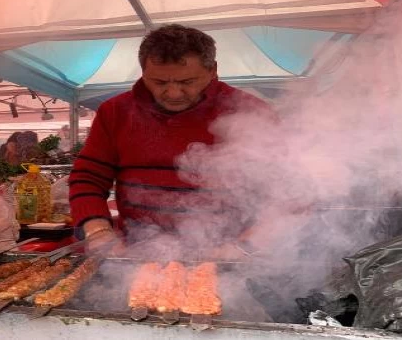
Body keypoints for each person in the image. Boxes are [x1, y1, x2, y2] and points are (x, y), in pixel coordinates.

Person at [68, 24, 274, 257]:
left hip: (229, 253)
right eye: (159, 82)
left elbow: (287, 194)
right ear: (143, 71)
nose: (173, 93)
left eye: (187, 82)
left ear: (213, 70)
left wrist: (245, 245)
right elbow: (88, 178)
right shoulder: (115, 112)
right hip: (137, 252)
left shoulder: (249, 112)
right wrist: (98, 231)